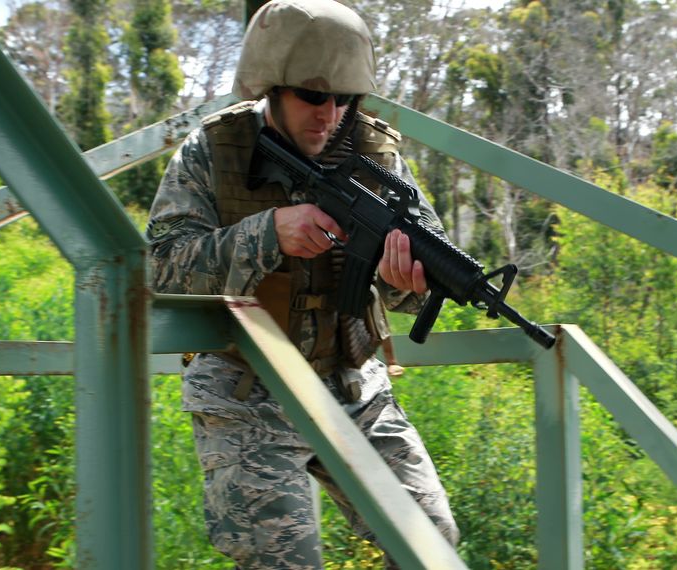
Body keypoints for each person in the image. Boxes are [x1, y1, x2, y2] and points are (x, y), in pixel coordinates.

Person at [145, 0, 459, 567]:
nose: (330, 115)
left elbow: (421, 280)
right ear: (273, 89)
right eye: (314, 97)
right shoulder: (215, 150)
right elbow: (162, 266)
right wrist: (268, 234)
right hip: (247, 394)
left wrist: (403, 281)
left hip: (354, 389)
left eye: (344, 99)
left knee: (431, 543)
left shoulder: (375, 154)